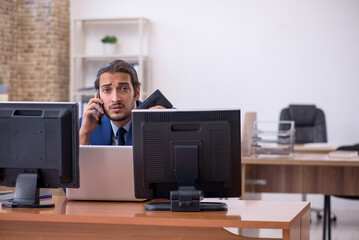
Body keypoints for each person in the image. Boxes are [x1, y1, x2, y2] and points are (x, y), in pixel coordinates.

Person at [79, 59, 163, 145]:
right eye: (107, 90)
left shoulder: (160, 120)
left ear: (137, 93)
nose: (115, 99)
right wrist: (85, 134)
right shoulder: (85, 124)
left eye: (123, 89)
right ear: (98, 95)